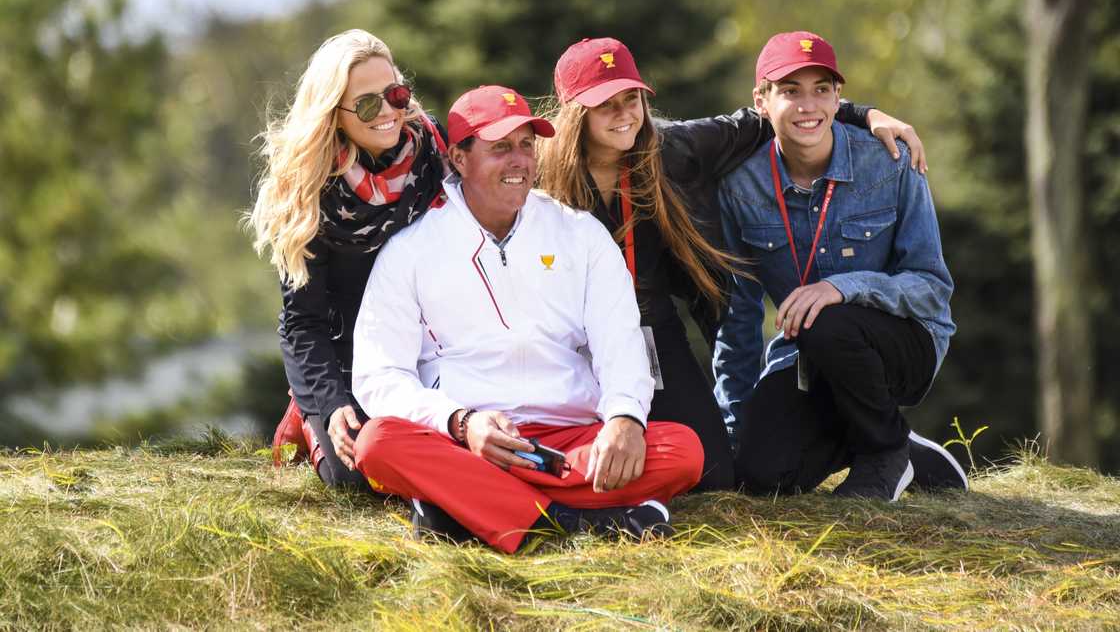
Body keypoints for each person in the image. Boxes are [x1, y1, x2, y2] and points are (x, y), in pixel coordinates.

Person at [536, 37, 927, 492]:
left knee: (716, 477)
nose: (624, 114)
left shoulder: (671, 148)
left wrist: (865, 114)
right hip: (565, 331)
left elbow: (780, 115)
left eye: (632, 99)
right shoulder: (540, 172)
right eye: (605, 104)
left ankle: (890, 445)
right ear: (575, 113)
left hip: (647, 328)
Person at [349, 85, 705, 553]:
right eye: (500, 148)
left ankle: (465, 508)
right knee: (378, 444)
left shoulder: (579, 233)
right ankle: (568, 522)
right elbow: (378, 376)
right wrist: (461, 422)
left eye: (526, 145)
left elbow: (619, 341)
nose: (519, 161)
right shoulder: (411, 248)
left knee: (683, 451)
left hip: (572, 440)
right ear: (458, 157)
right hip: (467, 440)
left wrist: (623, 417)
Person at [715, 31, 967, 501]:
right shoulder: (740, 186)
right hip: (804, 357)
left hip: (901, 343)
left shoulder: (891, 161)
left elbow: (931, 287)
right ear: (761, 101)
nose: (808, 105)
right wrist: (736, 425)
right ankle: (899, 446)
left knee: (827, 320)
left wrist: (843, 287)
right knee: (761, 475)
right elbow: (739, 314)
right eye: (790, 91)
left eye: (822, 90)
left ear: (837, 98)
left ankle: (886, 453)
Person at [249, 29, 448, 491]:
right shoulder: (306, 191)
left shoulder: (436, 154)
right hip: (348, 358)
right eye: (367, 104)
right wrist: (331, 402)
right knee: (357, 475)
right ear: (333, 114)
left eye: (396, 94)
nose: (389, 113)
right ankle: (306, 414)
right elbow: (302, 323)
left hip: (431, 346)